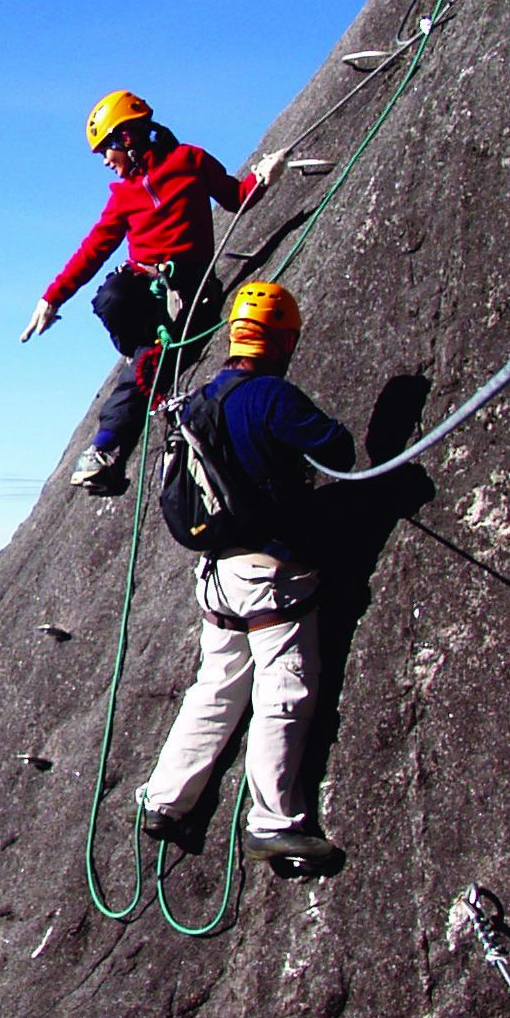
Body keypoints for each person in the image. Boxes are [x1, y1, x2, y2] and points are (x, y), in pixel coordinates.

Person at [137, 278, 353, 873]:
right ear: (281, 340)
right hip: (270, 574)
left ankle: (165, 799)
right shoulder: (271, 398)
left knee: (217, 684)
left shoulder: (199, 401)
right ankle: (274, 822)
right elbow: (338, 450)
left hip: (216, 573)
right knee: (283, 688)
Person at [21, 91, 294, 494]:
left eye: (105, 150)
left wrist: (265, 176)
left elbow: (235, 197)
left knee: (146, 359)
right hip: (147, 293)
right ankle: (139, 366)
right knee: (112, 298)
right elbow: (93, 248)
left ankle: (106, 446)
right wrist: (52, 298)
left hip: (191, 289)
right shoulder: (123, 196)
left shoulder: (189, 161)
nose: (105, 161)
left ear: (126, 137)